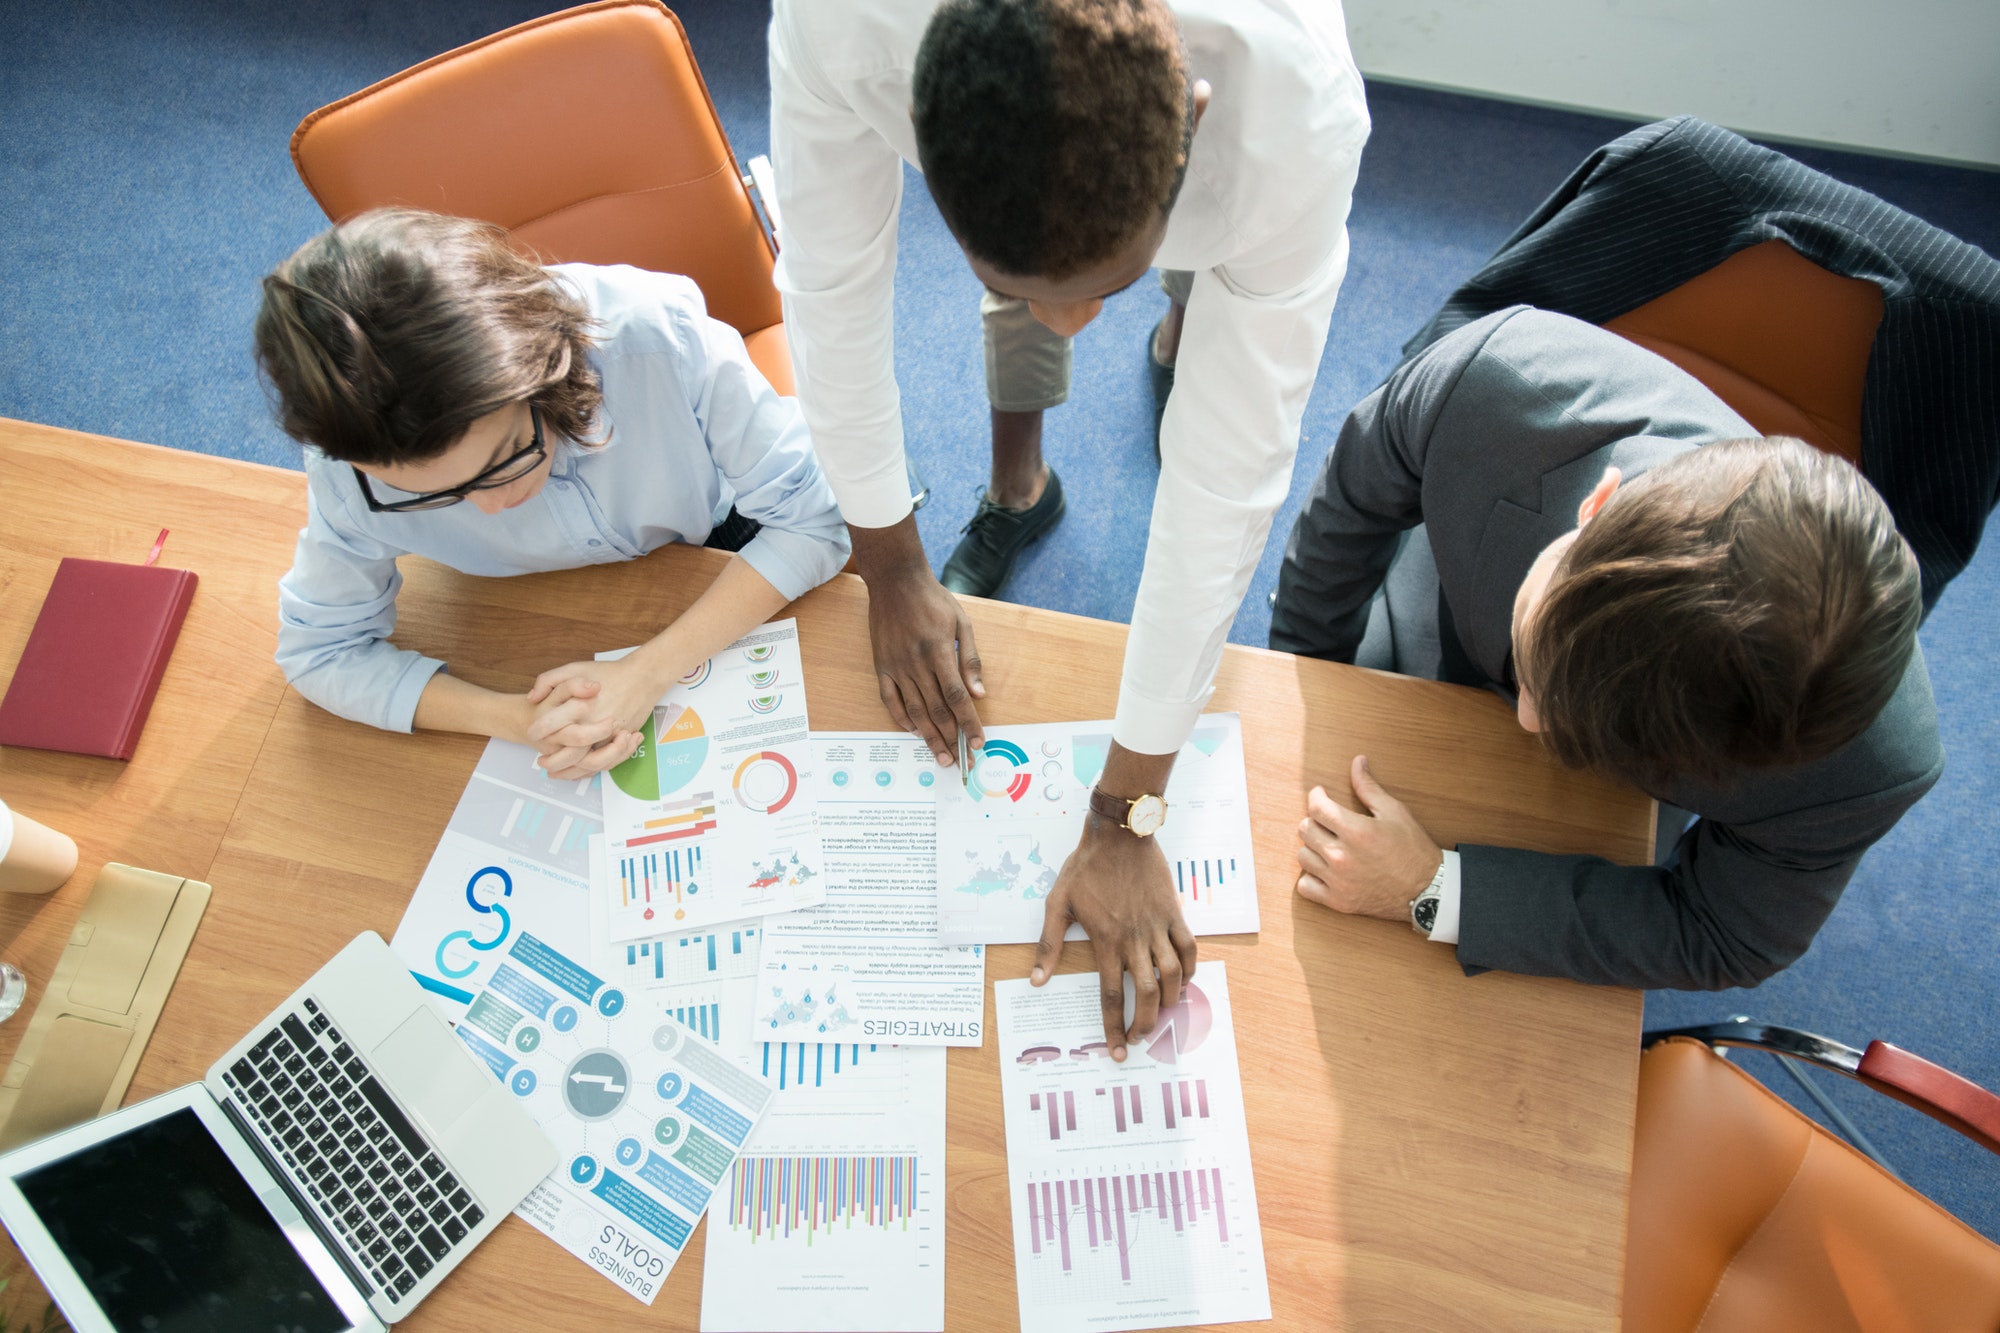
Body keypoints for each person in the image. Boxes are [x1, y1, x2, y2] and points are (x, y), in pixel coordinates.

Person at [771, 0, 1369, 1054]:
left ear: (1191, 123)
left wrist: (1126, 811)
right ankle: (1041, 408)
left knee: (1212, 316)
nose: (1065, 327)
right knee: (1053, 255)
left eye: (1102, 290)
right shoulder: (842, 26)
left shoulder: (1294, 111)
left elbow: (1224, 483)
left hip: (1227, 166)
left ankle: (1182, 298)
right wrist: (889, 563)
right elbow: (831, 288)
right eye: (1012, 289)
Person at [1269, 306, 1943, 990]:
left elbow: (1717, 933)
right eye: (1539, 658)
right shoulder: (1494, 383)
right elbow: (1348, 507)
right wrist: (1304, 671)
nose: (1529, 722)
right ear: (1598, 504)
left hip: (1603, 811)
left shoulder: (1868, 768)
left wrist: (1433, 889)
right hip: (1443, 603)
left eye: (1572, 717)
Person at [257, 208, 850, 778]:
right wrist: (515, 718)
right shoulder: (348, 471)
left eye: (505, 458)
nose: (491, 507)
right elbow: (320, 652)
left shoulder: (655, 336)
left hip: (720, 534)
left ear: (545, 369)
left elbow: (813, 521)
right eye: (431, 496)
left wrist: (648, 672)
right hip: (515, 607)